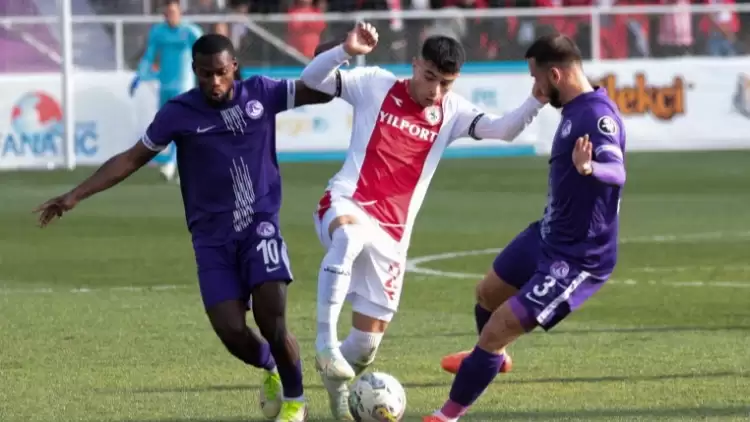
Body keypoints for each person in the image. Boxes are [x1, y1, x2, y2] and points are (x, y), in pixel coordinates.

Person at [35, 34, 334, 422]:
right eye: (206, 74)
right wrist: (75, 195)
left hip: (259, 226)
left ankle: (295, 401)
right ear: (194, 71)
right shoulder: (179, 113)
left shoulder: (262, 93)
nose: (214, 81)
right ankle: (271, 366)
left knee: (271, 315)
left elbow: (320, 93)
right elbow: (132, 158)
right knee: (231, 331)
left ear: (234, 68)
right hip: (211, 239)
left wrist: (335, 56)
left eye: (221, 72)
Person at [300, 22, 548, 420]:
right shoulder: (375, 84)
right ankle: (324, 343)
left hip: (392, 236)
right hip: (347, 201)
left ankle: (338, 393)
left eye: (445, 83)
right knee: (347, 237)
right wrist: (345, 50)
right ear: (415, 64)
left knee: (364, 347)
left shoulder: (452, 112)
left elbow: (503, 129)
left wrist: (536, 99)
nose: (435, 90)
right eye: (429, 77)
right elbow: (312, 78)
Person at [426, 34, 627, 422]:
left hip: (578, 256)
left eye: (537, 78)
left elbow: (616, 171)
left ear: (555, 74)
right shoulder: (574, 107)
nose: (536, 86)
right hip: (547, 235)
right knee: (487, 294)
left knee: (497, 328)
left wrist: (590, 168)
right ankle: (493, 358)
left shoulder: (596, 116)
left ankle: (447, 414)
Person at [130, 0, 202, 183]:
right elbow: (149, 55)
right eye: (168, 13)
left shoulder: (191, 32)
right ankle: (184, 164)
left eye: (173, 12)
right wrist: (140, 75)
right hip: (165, 86)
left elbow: (204, 52)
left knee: (180, 124)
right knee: (167, 125)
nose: (171, 16)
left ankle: (170, 164)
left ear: (180, 12)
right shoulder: (158, 32)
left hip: (184, 86)